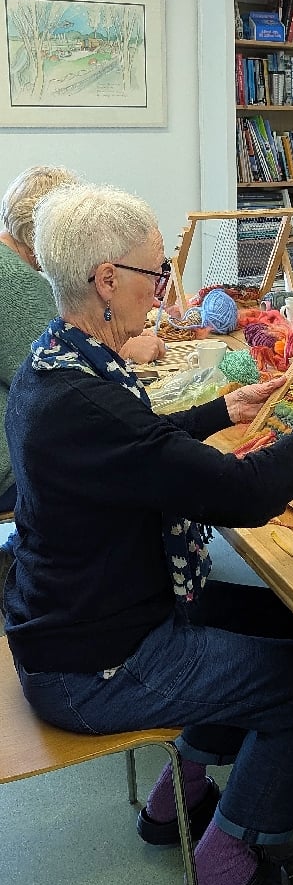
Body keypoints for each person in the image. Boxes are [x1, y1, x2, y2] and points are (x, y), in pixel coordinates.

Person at [3, 181, 293, 885]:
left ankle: (180, 794)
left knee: (272, 618)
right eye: (156, 271)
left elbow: (138, 448)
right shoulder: (88, 401)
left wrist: (217, 410)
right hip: (93, 666)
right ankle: (224, 874)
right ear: (106, 280)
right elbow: (243, 494)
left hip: (76, 618)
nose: (164, 288)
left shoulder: (58, 360)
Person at [0, 166, 167, 596]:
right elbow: (63, 374)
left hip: (24, 438)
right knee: (136, 462)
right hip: (12, 463)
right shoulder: (13, 280)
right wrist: (125, 348)